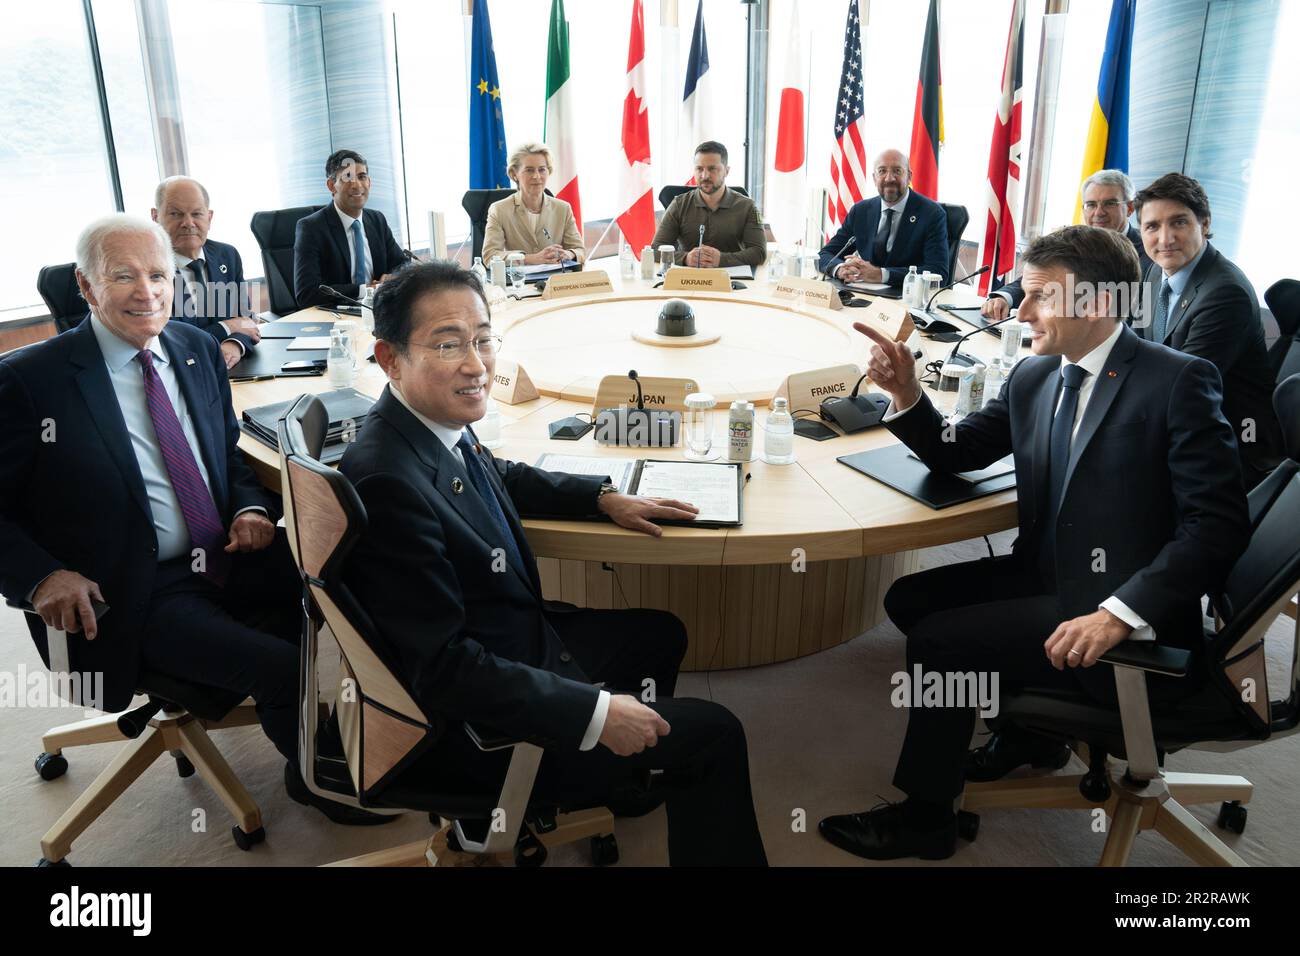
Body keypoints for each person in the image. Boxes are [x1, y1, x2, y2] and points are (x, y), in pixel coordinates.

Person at [817, 225, 1248, 861]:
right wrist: (906, 394)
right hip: (1048, 573)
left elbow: (1216, 526)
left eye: (1041, 295)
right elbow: (956, 453)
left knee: (941, 644)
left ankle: (927, 819)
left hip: (1123, 609)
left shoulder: (1178, 381)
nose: (1020, 310)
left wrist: (1119, 613)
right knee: (911, 600)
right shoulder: (1037, 375)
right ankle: (1029, 733)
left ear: (1099, 303)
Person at [338, 260, 768, 866]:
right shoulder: (387, 478)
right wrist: (594, 714)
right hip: (471, 729)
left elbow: (502, 475)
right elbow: (443, 669)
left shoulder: (421, 425)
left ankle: (618, 781)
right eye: (448, 344)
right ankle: (580, 770)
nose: (475, 363)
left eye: (484, 339)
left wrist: (599, 495)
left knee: (659, 635)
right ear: (388, 358)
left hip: (510, 641)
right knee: (715, 734)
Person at [0, 216, 382, 824]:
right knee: (283, 667)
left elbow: (223, 451)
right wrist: (42, 577)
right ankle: (320, 780)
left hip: (225, 553)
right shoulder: (27, 381)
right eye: (122, 276)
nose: (147, 291)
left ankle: (375, 737)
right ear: (85, 285)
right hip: (130, 590)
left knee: (351, 589)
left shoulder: (197, 349)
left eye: (158, 275)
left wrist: (250, 505)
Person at [1133, 172, 1282, 488]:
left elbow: (1180, 389)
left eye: (1179, 222)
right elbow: (1136, 345)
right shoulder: (1154, 272)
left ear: (1204, 224)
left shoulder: (1225, 293)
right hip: (1175, 425)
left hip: (1228, 445)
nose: (1165, 238)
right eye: (1152, 226)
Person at [981, 169, 1153, 320]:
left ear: (1130, 208)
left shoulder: (1149, 251)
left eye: (1109, 203)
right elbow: (1040, 277)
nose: (1098, 212)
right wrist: (1004, 297)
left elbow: (1137, 313)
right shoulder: (1075, 240)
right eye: (1091, 204)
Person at [151, 176, 261, 370]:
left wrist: (235, 343)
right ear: (155, 217)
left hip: (234, 369)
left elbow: (246, 318)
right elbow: (171, 340)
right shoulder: (149, 269)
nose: (188, 223)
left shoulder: (227, 255)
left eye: (197, 214)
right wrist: (228, 327)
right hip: (179, 373)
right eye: (176, 214)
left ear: (209, 218)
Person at [817, 147, 949, 288]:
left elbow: (938, 272)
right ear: (874, 178)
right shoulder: (860, 211)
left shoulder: (932, 214)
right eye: (882, 171)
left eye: (897, 171)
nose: (889, 178)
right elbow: (825, 254)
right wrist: (840, 269)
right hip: (863, 296)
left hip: (906, 299)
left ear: (909, 176)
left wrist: (881, 274)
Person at [293, 149, 407, 308]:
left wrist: (391, 277)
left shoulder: (377, 220)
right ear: (332, 185)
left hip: (381, 310)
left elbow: (403, 265)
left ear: (369, 182)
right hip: (337, 316)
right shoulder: (311, 228)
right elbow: (307, 293)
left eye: (362, 177)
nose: (356, 185)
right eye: (347, 177)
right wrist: (365, 290)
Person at [650, 141, 767, 269]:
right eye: (699, 169)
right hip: (687, 281)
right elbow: (655, 250)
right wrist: (685, 258)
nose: (705, 176)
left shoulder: (748, 207)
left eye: (712, 169)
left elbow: (759, 253)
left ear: (726, 171)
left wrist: (721, 259)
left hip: (732, 282)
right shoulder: (679, 204)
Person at [480, 143, 584, 266]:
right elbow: (490, 256)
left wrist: (569, 254)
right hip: (519, 282)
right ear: (514, 174)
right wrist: (530, 258)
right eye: (529, 170)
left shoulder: (563, 208)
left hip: (555, 280)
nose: (537, 176)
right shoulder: (499, 210)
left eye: (542, 169)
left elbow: (579, 250)